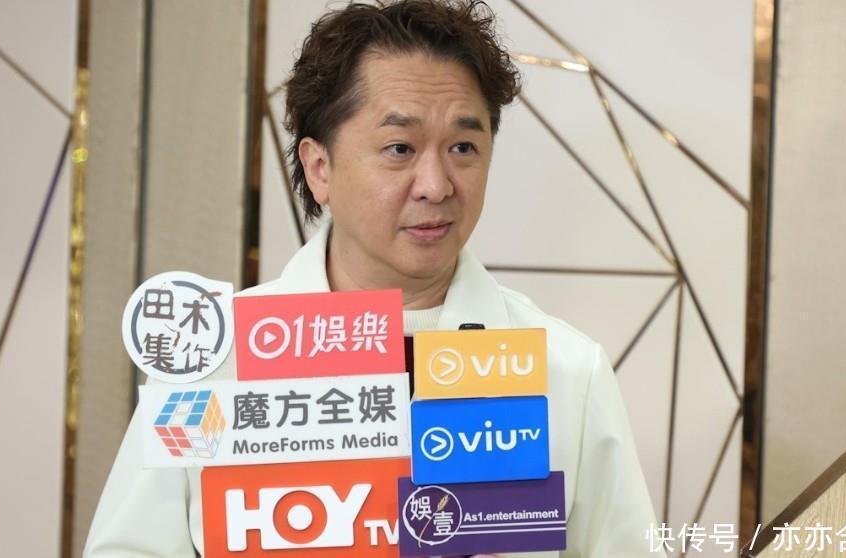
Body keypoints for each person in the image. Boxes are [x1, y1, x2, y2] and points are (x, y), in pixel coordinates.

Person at [84, 1, 662, 556]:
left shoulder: (567, 370)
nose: (436, 185)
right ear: (319, 168)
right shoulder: (213, 363)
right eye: (399, 148)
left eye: (463, 147)